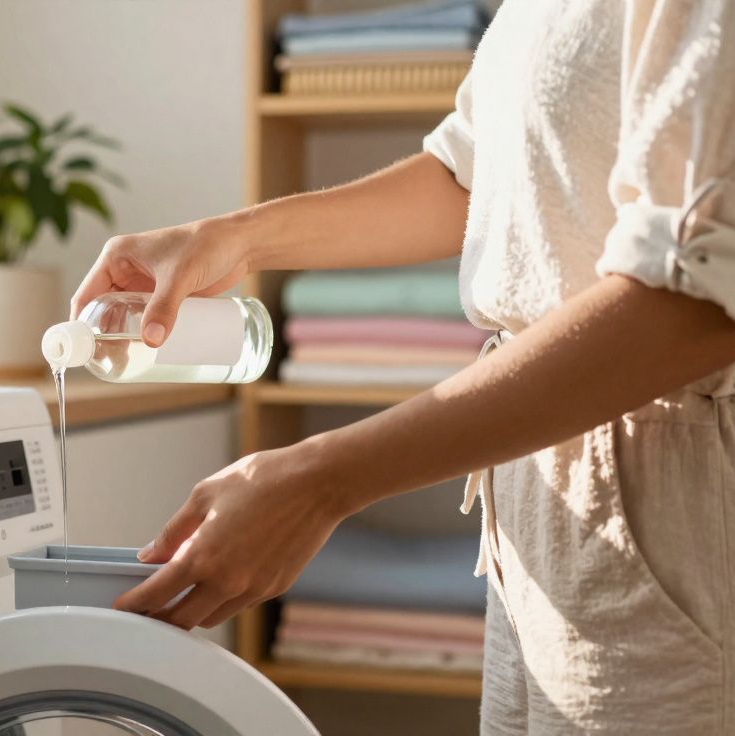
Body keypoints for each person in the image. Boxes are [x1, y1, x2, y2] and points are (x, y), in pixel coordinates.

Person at [70, 1, 735, 732]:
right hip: (535, 509)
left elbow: (699, 300)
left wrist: (323, 481)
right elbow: (470, 176)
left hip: (679, 507)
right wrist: (233, 239)